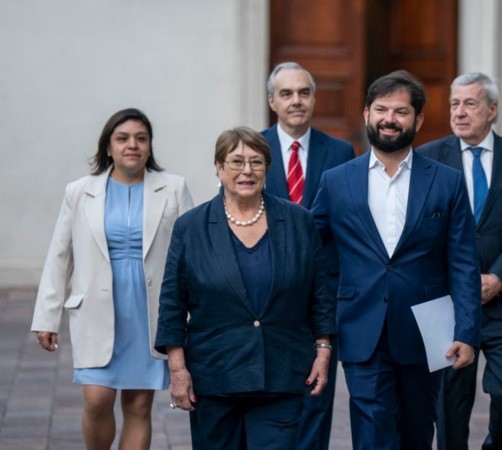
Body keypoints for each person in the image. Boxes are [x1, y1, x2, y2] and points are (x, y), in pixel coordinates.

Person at [311, 70, 481, 450]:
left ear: (418, 120)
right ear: (366, 113)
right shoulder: (336, 181)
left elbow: (464, 264)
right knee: (372, 432)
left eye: (401, 112)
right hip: (361, 327)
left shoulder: (447, 182)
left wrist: (467, 332)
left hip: (427, 331)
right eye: (381, 109)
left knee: (417, 433)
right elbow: (306, 248)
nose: (389, 119)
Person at [154, 127, 335, 449]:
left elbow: (319, 292)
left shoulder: (298, 222)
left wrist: (322, 350)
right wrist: (178, 368)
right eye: (236, 162)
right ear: (219, 167)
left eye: (256, 162)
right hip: (214, 376)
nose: (247, 171)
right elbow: (172, 302)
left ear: (267, 168)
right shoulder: (191, 227)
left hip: (281, 371)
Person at [31, 108, 194, 450]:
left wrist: (194, 316)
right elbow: (60, 256)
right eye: (122, 138)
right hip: (96, 309)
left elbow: (192, 256)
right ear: (108, 147)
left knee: (138, 405)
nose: (131, 145)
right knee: (95, 400)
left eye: (141, 138)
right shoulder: (79, 192)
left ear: (150, 146)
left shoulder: (174, 189)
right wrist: (47, 317)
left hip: (150, 310)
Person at [417, 72, 502, 450]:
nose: (459, 112)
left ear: (492, 110)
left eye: (469, 104)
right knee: (449, 405)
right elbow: (420, 230)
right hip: (449, 303)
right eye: (454, 104)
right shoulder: (427, 160)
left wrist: (498, 278)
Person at [261, 61, 355, 450]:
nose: (296, 101)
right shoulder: (252, 148)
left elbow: (349, 220)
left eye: (303, 93)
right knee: (272, 395)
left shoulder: (341, 150)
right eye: (286, 93)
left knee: (318, 393)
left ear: (314, 98)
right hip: (266, 292)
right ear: (272, 101)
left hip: (323, 291)